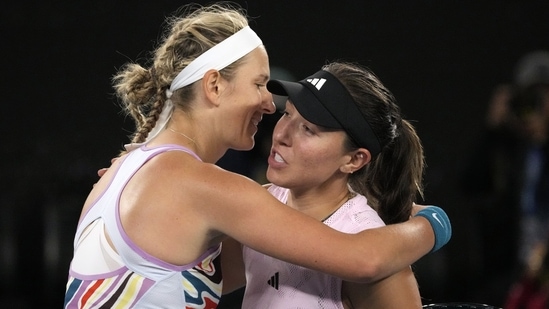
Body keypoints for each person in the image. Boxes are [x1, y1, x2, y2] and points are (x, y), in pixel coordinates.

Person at [64, 3, 451, 308]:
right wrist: (434, 222)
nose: (270, 106)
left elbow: (240, 268)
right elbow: (363, 258)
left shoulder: (127, 171)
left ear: (355, 159)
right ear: (214, 85)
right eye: (260, 84)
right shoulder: (207, 187)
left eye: (309, 127)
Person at [219, 62, 428, 308]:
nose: (281, 135)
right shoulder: (261, 205)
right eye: (287, 113)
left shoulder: (368, 240)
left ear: (354, 159)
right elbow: (194, 284)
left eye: (308, 129)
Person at [461, 50, 549, 306]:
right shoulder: (510, 149)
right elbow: (471, 184)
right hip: (513, 273)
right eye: (530, 97)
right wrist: (493, 130)